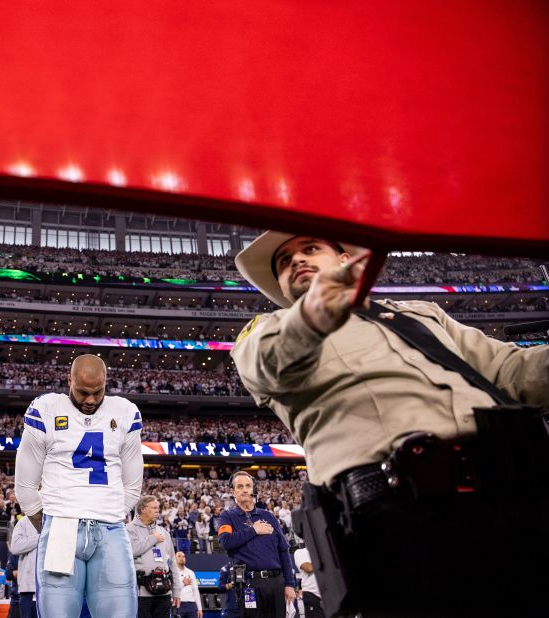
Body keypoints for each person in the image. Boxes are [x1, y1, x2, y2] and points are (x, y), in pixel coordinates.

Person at [231, 231, 549, 615]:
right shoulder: (267, 332)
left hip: (515, 493)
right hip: (399, 519)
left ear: (346, 260)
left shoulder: (421, 313)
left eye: (311, 248)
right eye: (283, 261)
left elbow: (508, 370)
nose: (296, 261)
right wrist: (314, 314)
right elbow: (267, 362)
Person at [14, 354, 144, 618]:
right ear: (68, 381)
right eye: (83, 392)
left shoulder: (125, 411)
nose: (91, 400)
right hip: (61, 527)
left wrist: (109, 514)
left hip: (111, 528)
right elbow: (25, 485)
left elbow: (133, 485)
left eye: (98, 392)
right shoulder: (46, 408)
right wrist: (53, 523)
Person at [216, 471, 295, 618]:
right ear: (233, 492)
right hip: (250, 585)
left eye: (248, 486)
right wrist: (253, 530)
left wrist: (290, 584)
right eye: (239, 487)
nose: (245, 489)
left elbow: (283, 551)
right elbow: (225, 542)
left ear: (254, 489)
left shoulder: (269, 516)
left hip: (276, 583)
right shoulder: (227, 517)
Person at [127, 495, 183, 618]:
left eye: (158, 508)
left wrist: (177, 591)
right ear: (142, 509)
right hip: (141, 594)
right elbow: (131, 550)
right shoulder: (129, 529)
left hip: (164, 592)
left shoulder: (163, 531)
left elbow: (173, 563)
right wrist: (153, 539)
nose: (158, 510)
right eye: (154, 508)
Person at [8, 515, 38, 618]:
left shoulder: (53, 519)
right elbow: (15, 547)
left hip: (49, 588)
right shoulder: (24, 522)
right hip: (27, 590)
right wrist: (40, 537)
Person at [293, 546, 324, 618]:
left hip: (330, 595)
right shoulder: (300, 552)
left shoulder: (325, 552)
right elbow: (309, 568)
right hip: (313, 595)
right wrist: (326, 559)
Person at [174, 551, 203, 618]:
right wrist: (183, 583)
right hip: (179, 605)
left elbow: (196, 591)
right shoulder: (173, 573)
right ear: (175, 559)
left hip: (191, 606)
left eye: (183, 556)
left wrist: (200, 608)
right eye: (179, 556)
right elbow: (172, 589)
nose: (182, 558)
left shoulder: (191, 573)